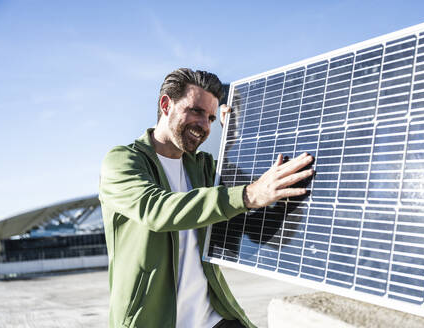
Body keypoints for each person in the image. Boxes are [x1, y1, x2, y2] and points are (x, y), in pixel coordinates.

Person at [99, 68, 314, 328]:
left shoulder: (202, 167)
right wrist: (249, 194)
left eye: (211, 118)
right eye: (196, 111)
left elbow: (250, 212)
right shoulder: (122, 161)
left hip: (212, 317)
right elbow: (156, 211)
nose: (204, 125)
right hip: (153, 320)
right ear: (166, 104)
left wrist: (237, 139)